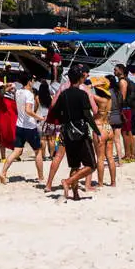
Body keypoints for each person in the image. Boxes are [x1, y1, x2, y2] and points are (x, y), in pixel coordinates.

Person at [50, 65, 97, 200]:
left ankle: (75, 194)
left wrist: (65, 120)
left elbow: (54, 110)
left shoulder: (64, 94)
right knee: (91, 165)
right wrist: (97, 131)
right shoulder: (82, 94)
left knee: (75, 165)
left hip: (67, 132)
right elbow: (87, 115)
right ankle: (68, 182)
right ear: (80, 78)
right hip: (81, 133)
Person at [0, 73, 45, 184]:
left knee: (17, 151)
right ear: (29, 81)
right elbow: (28, 111)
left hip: (19, 126)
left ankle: (3, 173)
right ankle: (41, 177)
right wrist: (40, 117)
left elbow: (2, 93)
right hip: (30, 126)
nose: (33, 82)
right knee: (38, 152)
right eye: (32, 80)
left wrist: (7, 87)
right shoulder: (29, 94)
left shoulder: (18, 92)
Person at [92, 79, 117, 188]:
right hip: (109, 128)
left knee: (100, 158)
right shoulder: (109, 99)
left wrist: (93, 84)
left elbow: (86, 91)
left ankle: (101, 183)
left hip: (99, 128)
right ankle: (113, 182)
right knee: (110, 157)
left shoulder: (99, 99)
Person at [116, 64, 135, 163]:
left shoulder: (122, 81)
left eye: (116, 70)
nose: (114, 71)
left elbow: (122, 97)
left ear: (121, 71)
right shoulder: (128, 80)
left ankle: (128, 155)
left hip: (128, 109)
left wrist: (119, 110)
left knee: (126, 132)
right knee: (132, 131)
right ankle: (133, 155)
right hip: (134, 107)